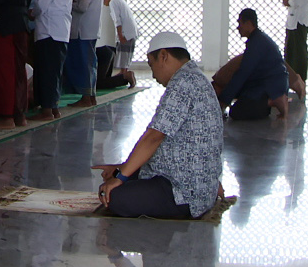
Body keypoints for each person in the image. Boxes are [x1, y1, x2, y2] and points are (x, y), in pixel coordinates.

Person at [95, 31, 225, 218]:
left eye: (151, 65)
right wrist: (121, 170)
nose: (153, 73)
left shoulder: (182, 83)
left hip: (183, 192)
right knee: (124, 175)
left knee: (115, 197)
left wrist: (121, 176)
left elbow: (154, 136)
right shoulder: (195, 77)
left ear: (163, 56)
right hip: (196, 182)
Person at [216, 7, 291, 120]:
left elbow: (243, 73)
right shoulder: (258, 39)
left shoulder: (257, 44)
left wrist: (224, 100)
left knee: (236, 112)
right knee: (240, 95)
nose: (238, 27)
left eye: (240, 23)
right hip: (268, 82)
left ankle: (273, 101)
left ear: (248, 23)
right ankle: (269, 102)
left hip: (271, 86)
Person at [29, 0, 72, 121]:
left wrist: (31, 13)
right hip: (59, 32)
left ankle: (46, 111)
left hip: (49, 33)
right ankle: (53, 108)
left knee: (47, 72)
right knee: (54, 72)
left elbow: (41, 5)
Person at [67, 0, 105, 106]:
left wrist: (70, 4)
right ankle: (91, 96)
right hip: (91, 30)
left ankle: (86, 97)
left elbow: (82, 7)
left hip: (83, 31)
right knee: (90, 63)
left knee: (84, 64)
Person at [103, 0, 139, 88]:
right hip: (130, 32)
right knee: (125, 57)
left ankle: (125, 75)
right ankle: (124, 73)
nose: (104, 4)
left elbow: (117, 21)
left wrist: (120, 36)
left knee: (123, 56)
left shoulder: (113, 2)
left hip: (125, 34)